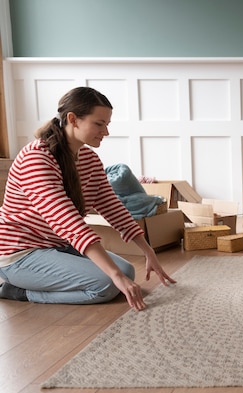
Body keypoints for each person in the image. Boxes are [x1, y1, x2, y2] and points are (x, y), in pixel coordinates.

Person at [0, 86, 175, 311]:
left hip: (59, 246)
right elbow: (68, 222)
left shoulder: (89, 159)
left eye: (107, 125)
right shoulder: (36, 159)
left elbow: (112, 207)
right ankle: (18, 291)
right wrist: (114, 276)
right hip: (20, 254)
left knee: (127, 272)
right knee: (106, 284)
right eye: (99, 124)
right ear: (73, 119)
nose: (106, 132)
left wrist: (147, 250)